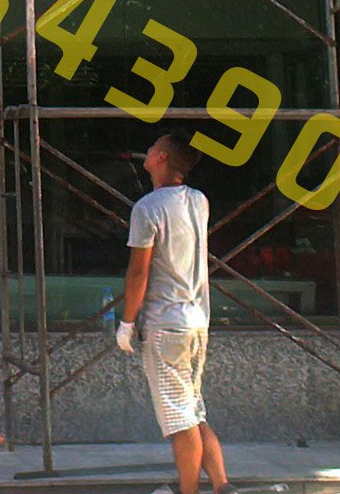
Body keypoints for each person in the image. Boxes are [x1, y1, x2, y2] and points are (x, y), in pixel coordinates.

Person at [118, 134, 231, 494]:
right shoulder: (198, 201)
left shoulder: (147, 208)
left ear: (162, 157)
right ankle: (222, 486)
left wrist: (127, 322)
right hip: (196, 321)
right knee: (194, 413)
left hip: (166, 326)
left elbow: (139, 271)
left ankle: (189, 491)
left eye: (153, 147)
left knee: (180, 422)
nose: (148, 150)